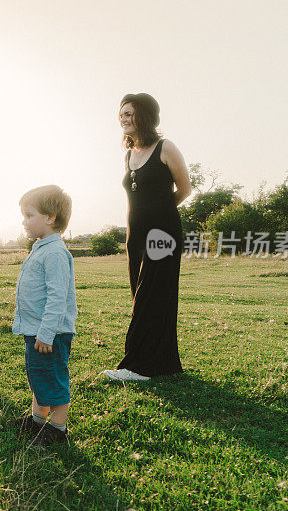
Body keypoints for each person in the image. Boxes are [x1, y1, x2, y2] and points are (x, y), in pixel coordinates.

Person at [103, 93, 192, 381]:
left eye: (129, 113)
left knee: (152, 297)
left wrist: (160, 216)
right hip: (135, 236)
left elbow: (185, 189)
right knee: (140, 295)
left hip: (162, 234)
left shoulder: (166, 148)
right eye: (121, 114)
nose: (123, 119)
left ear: (145, 116)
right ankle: (162, 363)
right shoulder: (128, 154)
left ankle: (139, 367)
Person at [8, 185, 77, 445]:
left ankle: (58, 429)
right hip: (37, 331)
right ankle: (37, 421)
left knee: (54, 380)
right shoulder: (41, 248)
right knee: (39, 376)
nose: (24, 221)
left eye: (29, 215)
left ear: (50, 218)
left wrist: (46, 334)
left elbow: (57, 297)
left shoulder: (56, 253)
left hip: (50, 333)